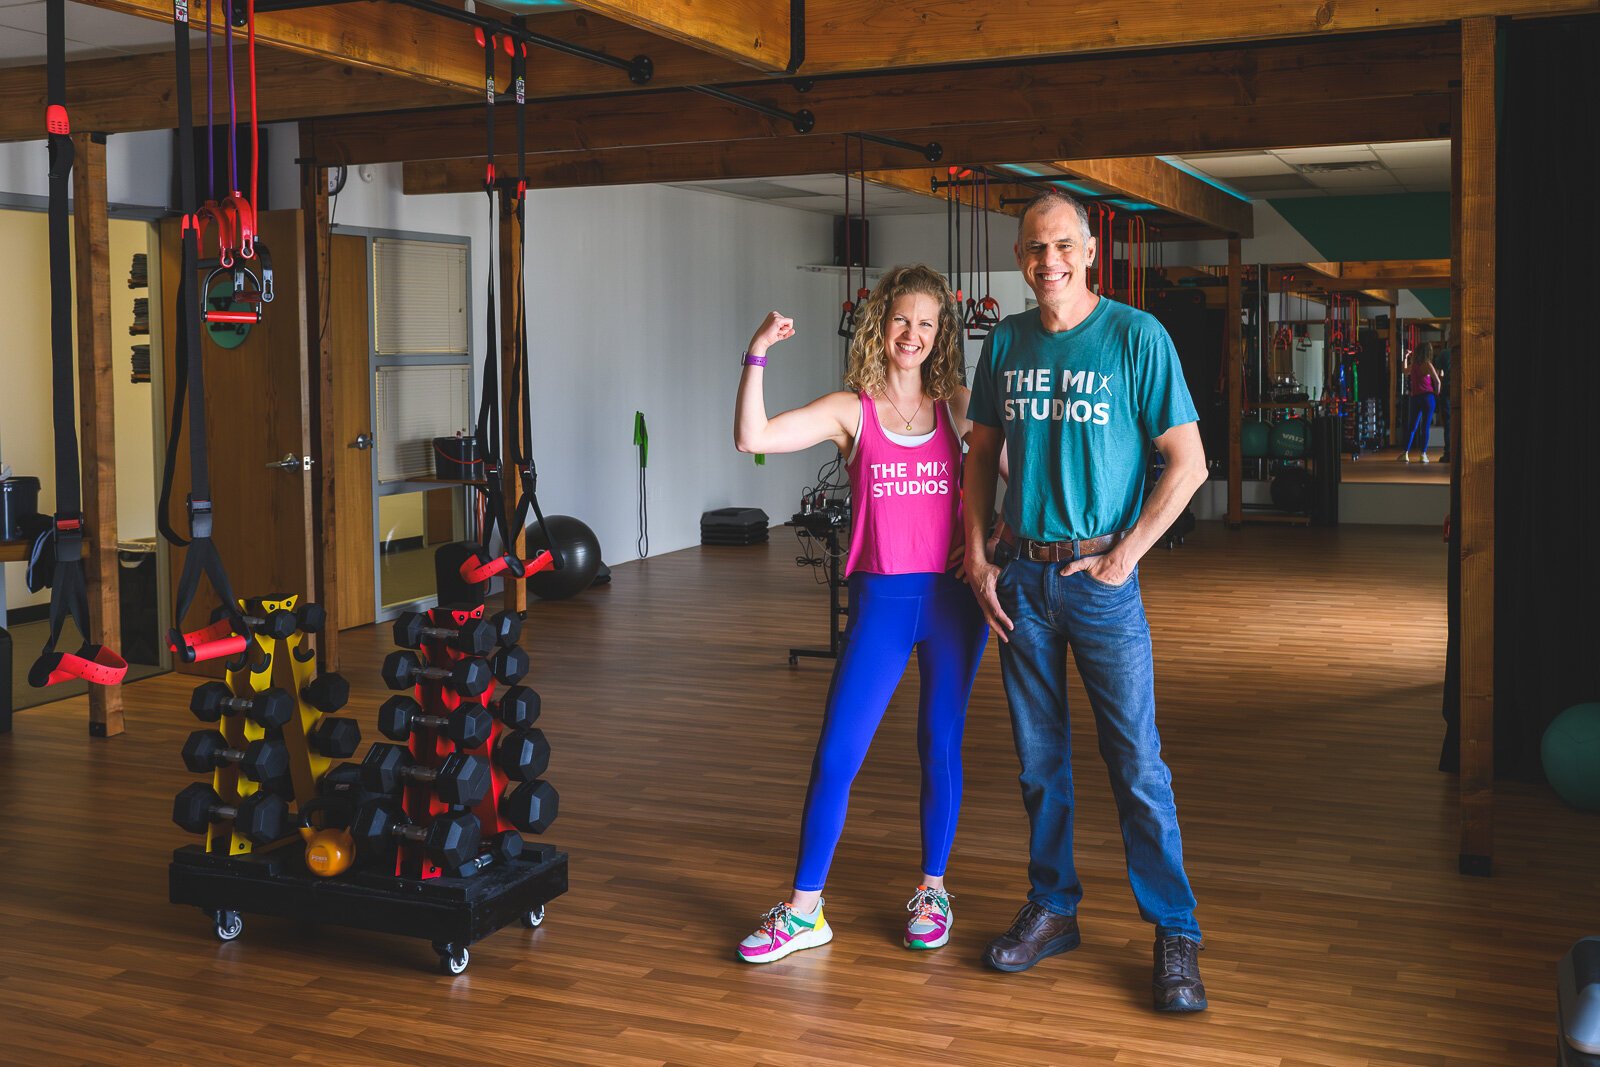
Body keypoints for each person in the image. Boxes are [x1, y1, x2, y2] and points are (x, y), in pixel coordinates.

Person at [961, 190, 1211, 1013]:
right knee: (1039, 764)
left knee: (1136, 764)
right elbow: (982, 452)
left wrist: (1127, 553)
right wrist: (976, 549)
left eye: (1062, 245)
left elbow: (1189, 463)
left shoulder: (1139, 338)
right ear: (1022, 257)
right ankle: (1054, 906)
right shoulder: (1004, 340)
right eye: (1034, 249)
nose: (1048, 261)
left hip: (1101, 585)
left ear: (1091, 248)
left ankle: (1174, 930)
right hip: (1022, 581)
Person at [731, 264, 990, 963]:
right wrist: (757, 351)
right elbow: (751, 436)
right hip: (881, 601)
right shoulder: (854, 410)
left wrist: (986, 545)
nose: (913, 334)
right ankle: (805, 910)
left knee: (939, 744)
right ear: (882, 324)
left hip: (953, 602)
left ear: (941, 336)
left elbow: (1014, 474)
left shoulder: (961, 407)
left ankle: (933, 890)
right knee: (837, 755)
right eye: (903, 320)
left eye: (927, 324)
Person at [1403, 343, 1439, 463]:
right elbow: (1437, 381)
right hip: (1428, 397)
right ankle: (1423, 454)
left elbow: (1404, 371)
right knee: (1425, 427)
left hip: (1415, 398)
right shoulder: (1428, 364)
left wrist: (1405, 357)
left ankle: (1405, 453)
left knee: (1412, 426)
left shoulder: (1413, 365)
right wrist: (1436, 393)